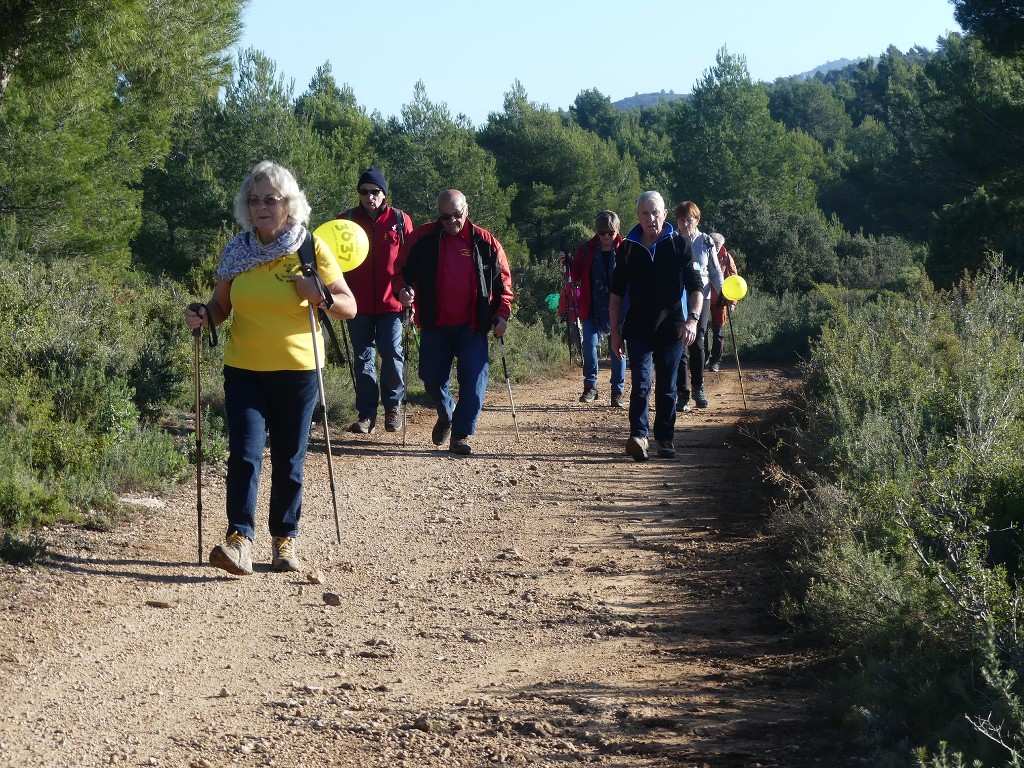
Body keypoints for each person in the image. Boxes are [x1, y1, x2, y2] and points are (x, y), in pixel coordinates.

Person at [184, 161, 356, 576]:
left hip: (298, 371)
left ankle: (285, 541)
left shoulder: (310, 249)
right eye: (254, 199)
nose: (261, 206)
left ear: (289, 204)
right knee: (244, 454)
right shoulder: (237, 251)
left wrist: (320, 296)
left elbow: (348, 307)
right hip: (243, 368)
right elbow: (221, 306)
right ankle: (239, 539)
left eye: (271, 199)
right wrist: (203, 316)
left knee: (288, 458)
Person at [395, 189, 514, 456]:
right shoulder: (422, 238)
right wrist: (403, 290)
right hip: (435, 323)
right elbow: (401, 271)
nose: (451, 222)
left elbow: (503, 284)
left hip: (473, 325)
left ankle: (460, 434)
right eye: (444, 217)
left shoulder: (486, 242)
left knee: (474, 381)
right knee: (431, 379)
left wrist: (502, 314)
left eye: (456, 216)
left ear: (466, 210)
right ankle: (446, 414)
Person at [610, 191, 704, 462]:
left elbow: (695, 286)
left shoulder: (679, 244)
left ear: (664, 214)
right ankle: (639, 437)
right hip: (638, 327)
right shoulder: (627, 248)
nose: (651, 218)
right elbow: (616, 294)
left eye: (656, 213)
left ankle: (665, 438)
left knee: (667, 385)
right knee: (640, 382)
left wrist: (693, 319)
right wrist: (615, 333)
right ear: (637, 216)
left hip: (672, 327)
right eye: (645, 214)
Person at [337, 168, 414, 434]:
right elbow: (330, 262)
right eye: (364, 192)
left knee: (392, 355)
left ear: (384, 193)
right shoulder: (344, 221)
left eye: (374, 191)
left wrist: (410, 296)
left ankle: (392, 408)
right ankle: (366, 415)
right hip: (355, 305)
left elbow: (410, 263)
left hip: (391, 304)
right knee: (362, 359)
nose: (369, 197)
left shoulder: (401, 220)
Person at [562, 211, 626, 407]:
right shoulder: (586, 249)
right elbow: (577, 274)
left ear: (617, 231)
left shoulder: (625, 249)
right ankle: (590, 387)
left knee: (618, 349)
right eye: (602, 232)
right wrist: (567, 263)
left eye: (610, 232)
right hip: (591, 305)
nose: (606, 236)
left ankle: (617, 391)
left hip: (618, 307)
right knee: (589, 346)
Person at [674, 201, 723, 412]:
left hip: (700, 297)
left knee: (698, 341)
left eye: (689, 219)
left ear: (697, 220)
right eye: (682, 219)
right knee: (679, 345)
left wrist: (724, 293)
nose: (685, 223)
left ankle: (698, 388)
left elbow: (714, 271)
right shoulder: (672, 241)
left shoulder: (706, 241)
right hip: (677, 297)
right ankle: (682, 393)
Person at [706, 232, 738, 372]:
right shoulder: (702, 253)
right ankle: (703, 358)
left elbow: (734, 280)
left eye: (719, 245)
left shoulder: (726, 257)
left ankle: (716, 361)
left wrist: (732, 302)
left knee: (718, 332)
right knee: (702, 332)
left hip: (720, 300)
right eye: (714, 244)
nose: (717, 247)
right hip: (703, 298)